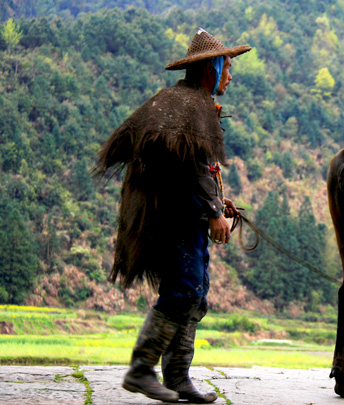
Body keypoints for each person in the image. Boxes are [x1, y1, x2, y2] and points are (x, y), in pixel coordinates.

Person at [93, 28, 251, 403]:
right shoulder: (188, 106)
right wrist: (214, 211)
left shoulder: (188, 105)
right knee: (183, 293)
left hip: (187, 220)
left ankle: (178, 378)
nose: (231, 75)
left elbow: (194, 165)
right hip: (176, 222)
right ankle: (141, 369)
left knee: (194, 296)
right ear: (211, 68)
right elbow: (194, 168)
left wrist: (218, 203)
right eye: (227, 66)